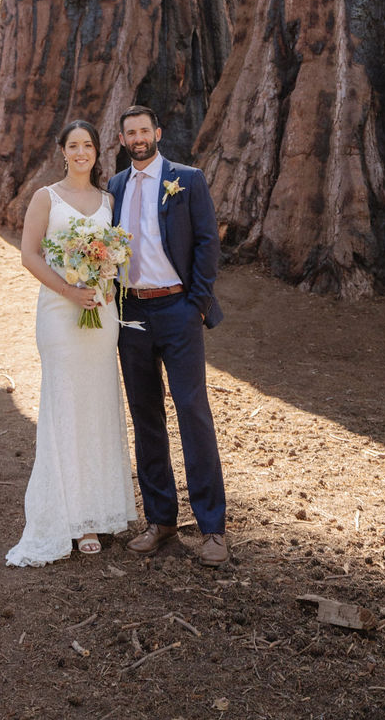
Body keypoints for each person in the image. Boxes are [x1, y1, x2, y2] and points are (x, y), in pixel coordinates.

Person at [6, 119, 136, 565]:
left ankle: (99, 511)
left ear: (98, 152)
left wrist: (102, 277)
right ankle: (71, 519)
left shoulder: (108, 201)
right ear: (62, 151)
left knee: (98, 406)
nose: (81, 152)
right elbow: (28, 254)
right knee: (65, 407)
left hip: (101, 315)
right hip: (61, 316)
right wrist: (69, 290)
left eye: (88, 145)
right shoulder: (47, 198)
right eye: (73, 145)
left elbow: (116, 254)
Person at [108, 104, 229, 566]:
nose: (138, 137)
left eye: (144, 130)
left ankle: (213, 527)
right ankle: (160, 520)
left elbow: (206, 241)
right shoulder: (114, 188)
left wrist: (196, 304)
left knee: (193, 412)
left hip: (178, 309)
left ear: (157, 132)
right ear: (122, 140)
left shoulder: (187, 179)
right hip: (132, 313)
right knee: (145, 417)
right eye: (130, 132)